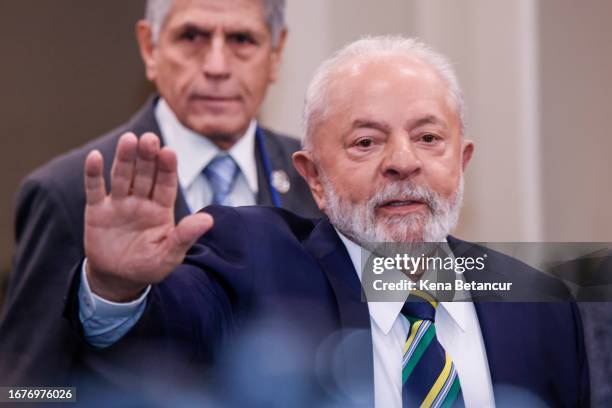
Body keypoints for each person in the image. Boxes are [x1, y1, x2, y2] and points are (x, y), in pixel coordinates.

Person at [69, 36, 589, 406]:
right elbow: (153, 344)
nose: (403, 161)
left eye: (429, 138)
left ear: (462, 160)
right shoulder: (251, 258)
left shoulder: (539, 303)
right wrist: (117, 288)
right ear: (313, 176)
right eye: (366, 141)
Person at [0, 0, 319, 386]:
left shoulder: (320, 179)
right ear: (150, 48)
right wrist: (112, 290)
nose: (217, 66)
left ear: (275, 54)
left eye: (241, 39)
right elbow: (27, 389)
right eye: (191, 37)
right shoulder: (68, 191)